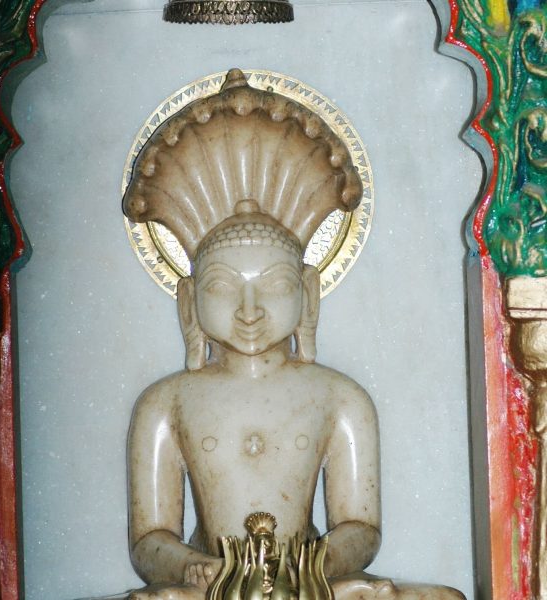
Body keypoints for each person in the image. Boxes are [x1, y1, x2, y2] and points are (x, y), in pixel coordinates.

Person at [121, 70, 464, 600]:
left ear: (309, 293)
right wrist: (194, 568)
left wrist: (315, 564)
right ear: (189, 301)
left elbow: (361, 527)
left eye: (276, 286)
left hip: (311, 585)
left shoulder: (340, 397)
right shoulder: (165, 403)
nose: (250, 310)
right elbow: (150, 541)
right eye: (223, 287)